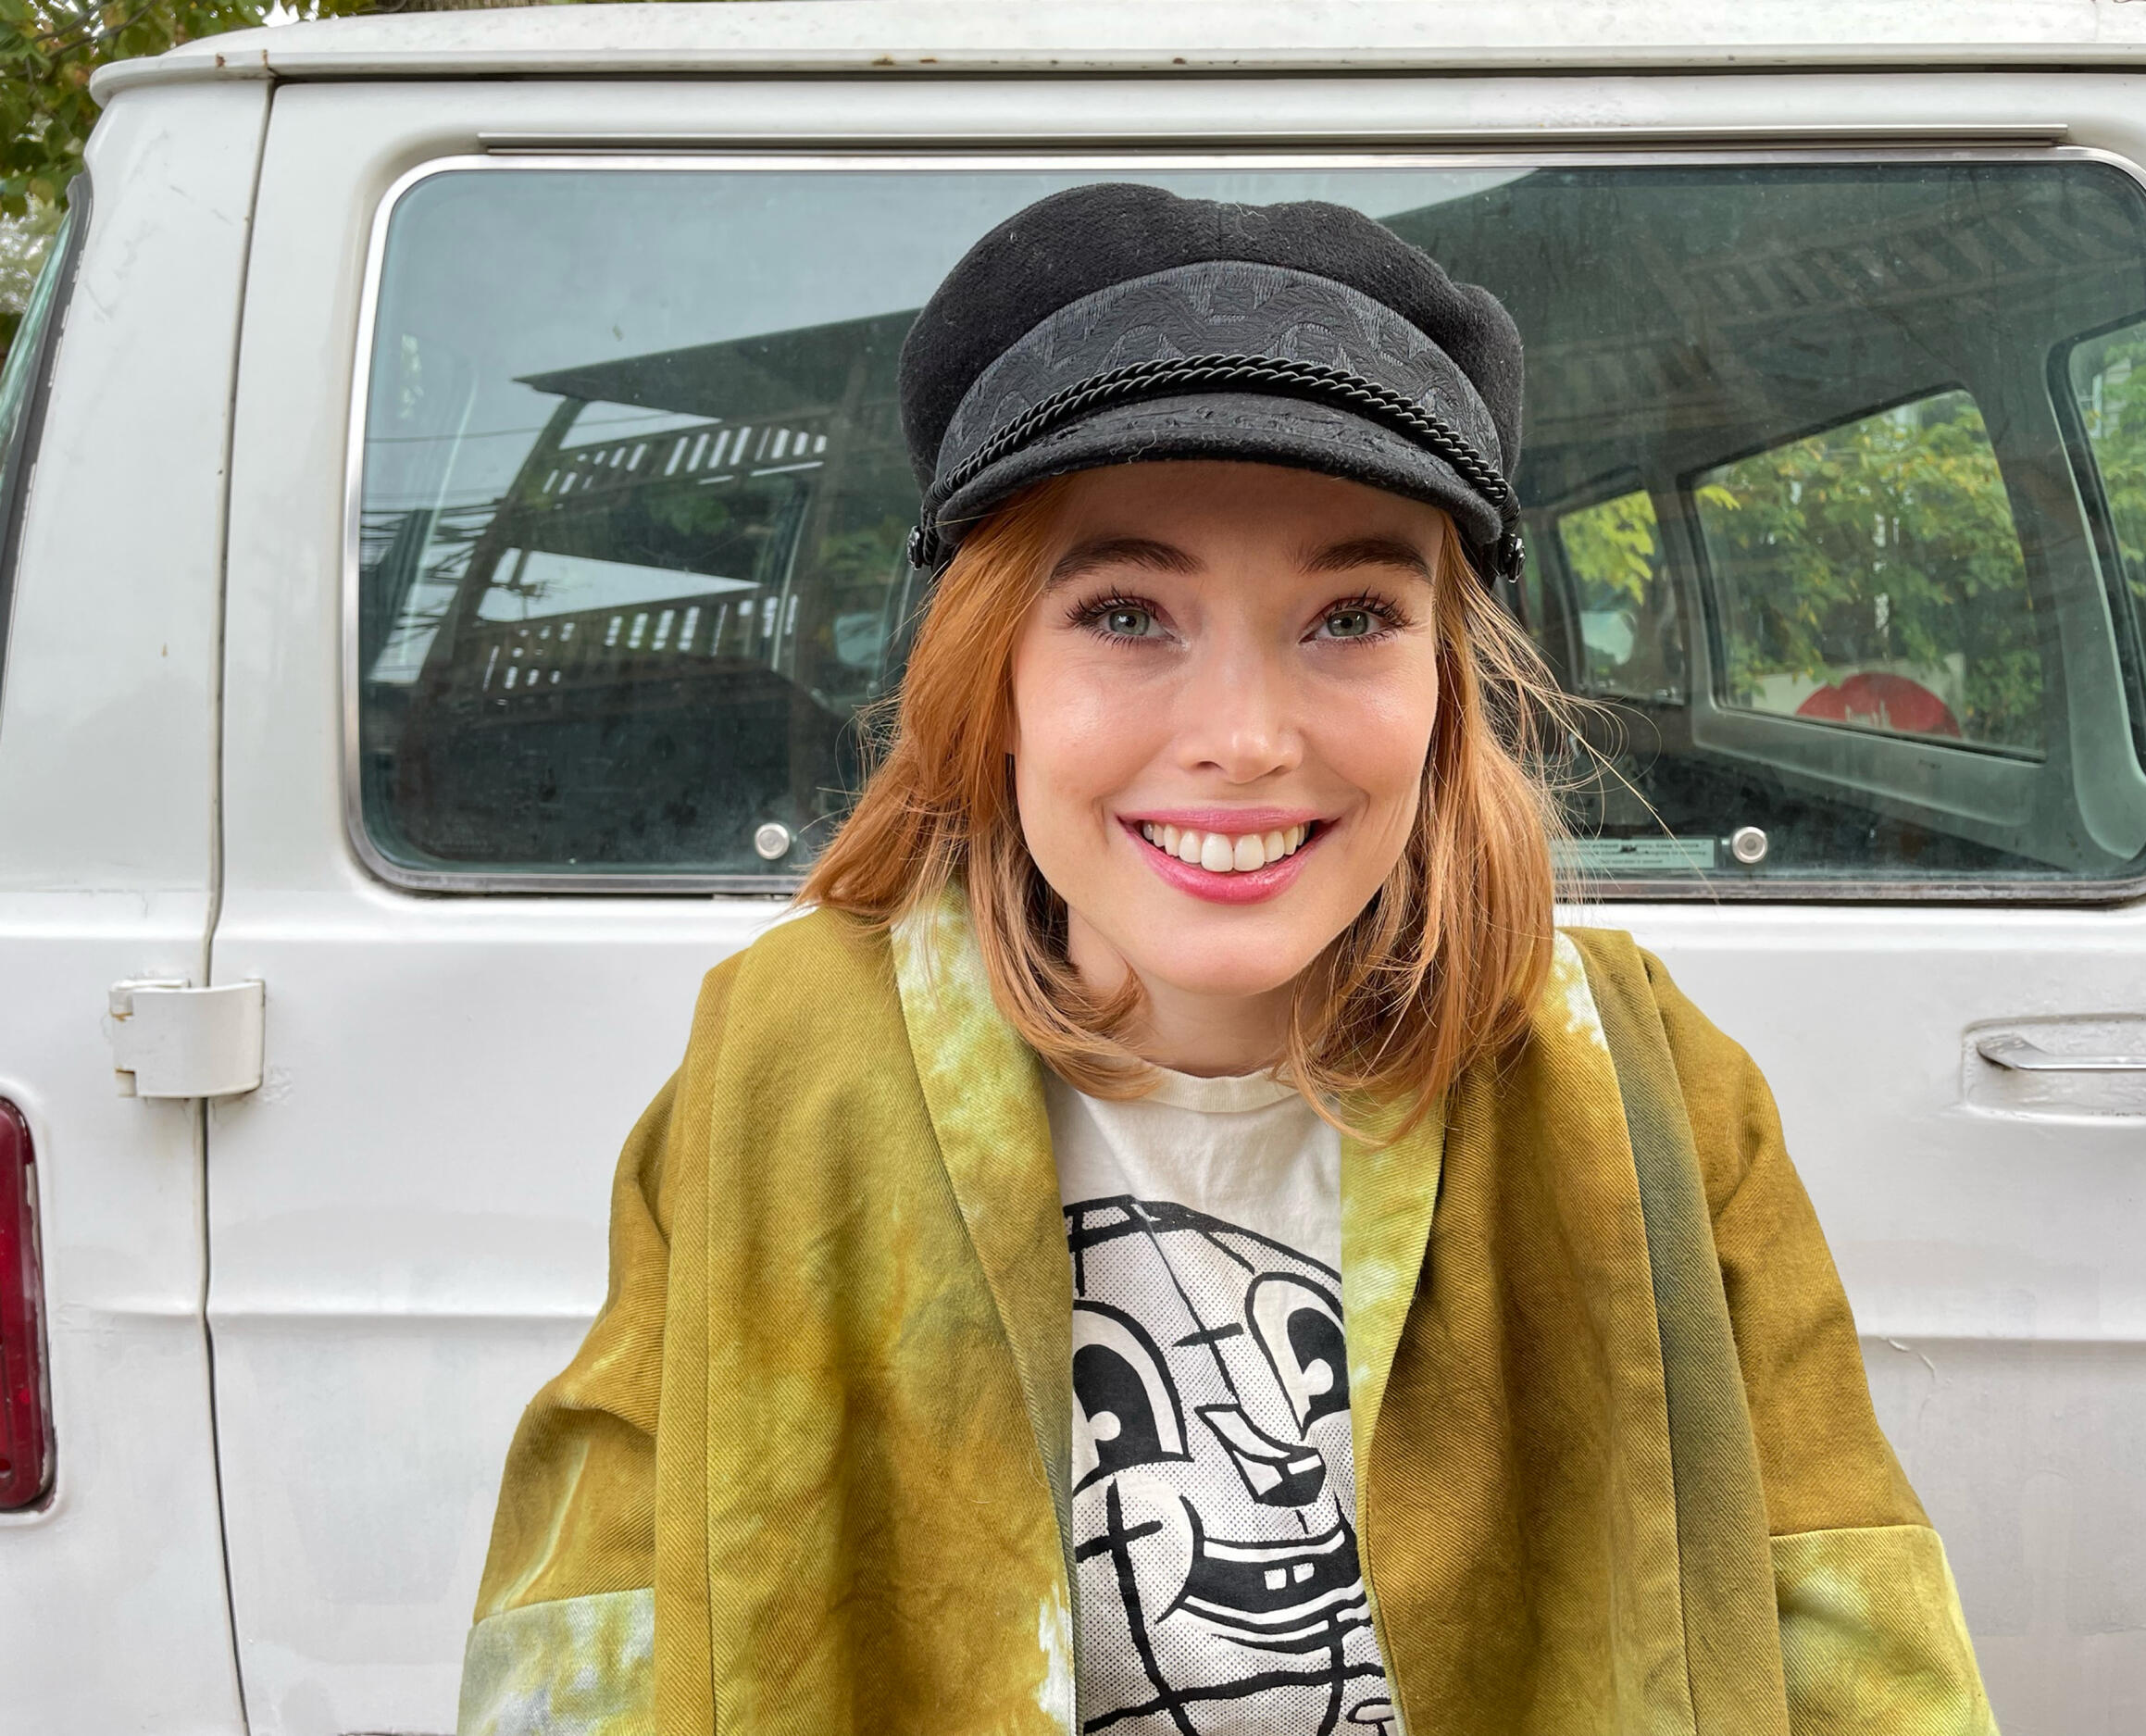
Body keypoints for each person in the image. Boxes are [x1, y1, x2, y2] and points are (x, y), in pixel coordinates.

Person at [454, 184, 1996, 1736]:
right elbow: (593, 1642)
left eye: (1349, 618)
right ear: (992, 678)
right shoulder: (780, 1073)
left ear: (1446, 689)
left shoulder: (1655, 1094)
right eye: (1127, 612)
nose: (1247, 740)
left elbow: (1848, 1629)